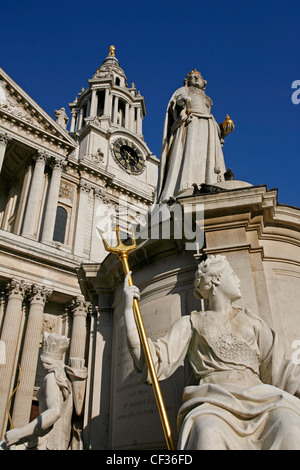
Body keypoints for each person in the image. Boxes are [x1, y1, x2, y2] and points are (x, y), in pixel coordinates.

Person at [124, 255, 300, 449]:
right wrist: (128, 312)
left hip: (262, 399)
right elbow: (153, 360)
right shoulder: (191, 323)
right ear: (216, 279)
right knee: (207, 431)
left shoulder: (253, 322)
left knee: (289, 424)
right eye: (233, 274)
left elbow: (281, 369)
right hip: (214, 401)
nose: (238, 280)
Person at [156, 70, 234, 204]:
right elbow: (175, 106)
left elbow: (211, 122)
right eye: (191, 77)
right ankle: (186, 186)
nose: (195, 78)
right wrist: (183, 103)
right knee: (190, 154)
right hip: (191, 124)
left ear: (204, 83)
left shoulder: (206, 99)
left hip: (208, 127)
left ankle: (209, 186)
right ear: (187, 81)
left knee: (205, 157)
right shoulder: (184, 90)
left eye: (198, 77)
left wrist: (223, 129)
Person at [3, 332, 87, 450]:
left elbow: (54, 412)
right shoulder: (65, 378)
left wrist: (19, 433)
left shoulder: (52, 376)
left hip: (48, 442)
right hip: (61, 443)